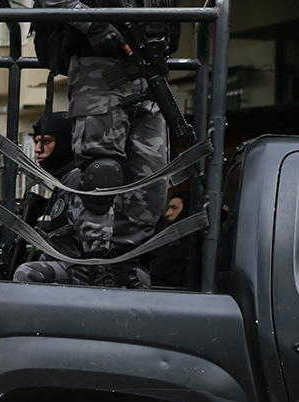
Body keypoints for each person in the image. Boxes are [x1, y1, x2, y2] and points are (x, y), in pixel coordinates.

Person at [34, 0, 173, 289]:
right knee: (101, 170)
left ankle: (124, 261)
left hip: (150, 66)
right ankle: (98, 263)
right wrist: (93, 23)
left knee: (153, 180)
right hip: (99, 63)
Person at [13, 112, 89, 284]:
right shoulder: (67, 178)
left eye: (46, 142)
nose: (38, 149)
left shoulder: (76, 178)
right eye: (37, 142)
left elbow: (66, 244)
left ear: (65, 142)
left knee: (28, 273)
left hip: (97, 268)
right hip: (83, 264)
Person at [149, 190, 192, 287]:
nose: (168, 213)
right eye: (169, 208)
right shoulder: (161, 234)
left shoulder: (195, 241)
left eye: (174, 208)